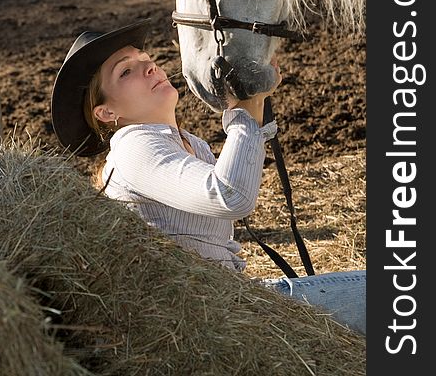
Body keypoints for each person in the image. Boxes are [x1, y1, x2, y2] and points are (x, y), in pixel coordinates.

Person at [51, 18, 366, 335]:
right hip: (206, 320)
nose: (150, 68)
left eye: (146, 60)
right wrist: (246, 110)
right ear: (106, 113)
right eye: (126, 71)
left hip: (226, 307)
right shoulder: (133, 149)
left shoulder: (191, 145)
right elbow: (229, 195)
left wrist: (253, 100)